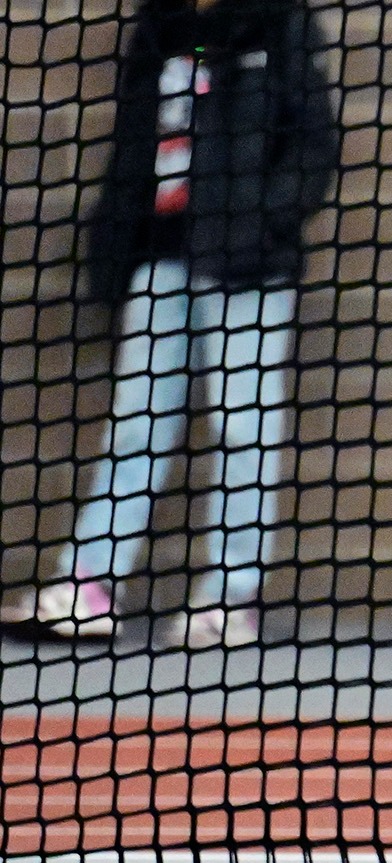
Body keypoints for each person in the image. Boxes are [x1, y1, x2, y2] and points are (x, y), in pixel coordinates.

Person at [0, 0, 339, 647]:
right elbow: (133, 146)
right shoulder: (160, 27)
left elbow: (313, 145)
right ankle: (90, 584)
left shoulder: (274, 21)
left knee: (243, 424)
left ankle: (230, 595)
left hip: (246, 265)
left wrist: (261, 224)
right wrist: (112, 249)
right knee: (137, 420)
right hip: (160, 254)